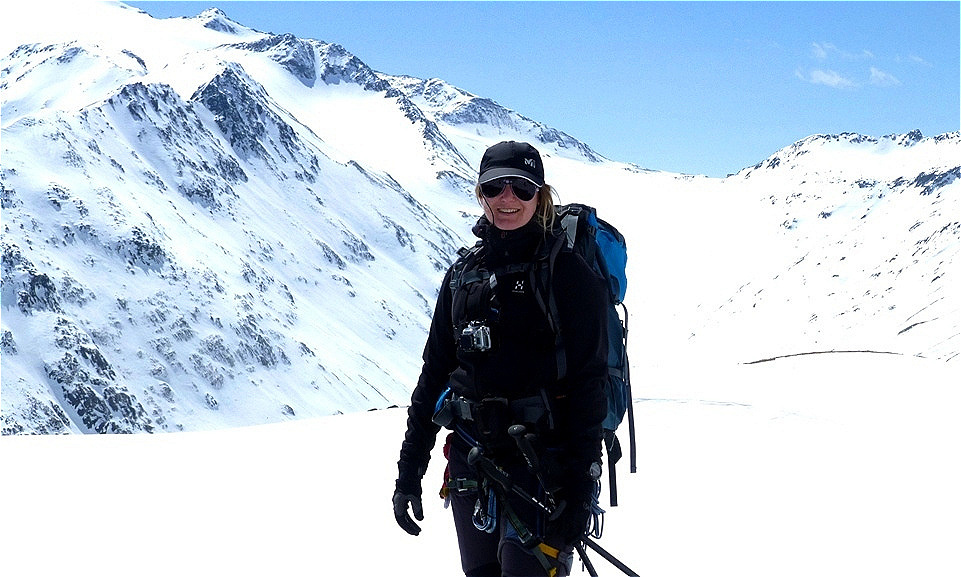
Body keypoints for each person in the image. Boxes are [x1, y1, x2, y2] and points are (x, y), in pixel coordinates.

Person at [393, 141, 609, 577]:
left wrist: (580, 486)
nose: (507, 198)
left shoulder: (569, 275)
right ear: (480, 193)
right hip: (472, 460)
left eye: (522, 189)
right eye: (495, 187)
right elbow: (434, 375)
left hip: (544, 471)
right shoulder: (462, 276)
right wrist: (410, 469)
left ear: (540, 196)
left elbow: (592, 382)